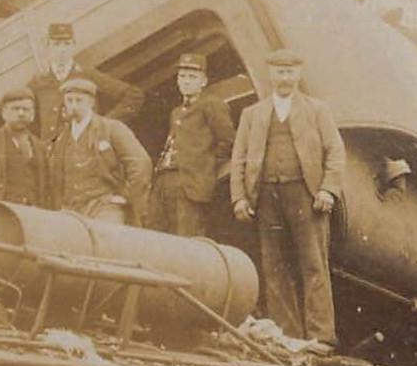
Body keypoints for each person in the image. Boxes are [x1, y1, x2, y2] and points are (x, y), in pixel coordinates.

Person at [229, 48, 346, 349]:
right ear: (270, 75)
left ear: (298, 74)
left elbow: (335, 151)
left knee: (313, 264)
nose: (284, 78)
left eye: (290, 71)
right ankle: (286, 335)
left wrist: (328, 189)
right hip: (266, 196)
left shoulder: (317, 110)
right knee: (274, 266)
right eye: (279, 72)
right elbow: (239, 158)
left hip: (305, 194)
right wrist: (239, 197)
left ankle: (321, 337)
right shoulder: (252, 114)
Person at [148, 53, 236, 238]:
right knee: (158, 236)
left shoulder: (211, 104)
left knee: (186, 239)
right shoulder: (176, 112)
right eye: (182, 77)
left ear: (203, 81)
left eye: (192, 77)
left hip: (189, 184)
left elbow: (228, 141)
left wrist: (204, 166)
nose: (186, 82)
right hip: (165, 180)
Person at [47, 78, 152, 224]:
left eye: (79, 100)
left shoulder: (111, 128)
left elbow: (140, 163)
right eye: (69, 100)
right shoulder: (61, 137)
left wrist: (125, 196)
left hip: (104, 206)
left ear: (91, 103)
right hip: (71, 208)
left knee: (108, 242)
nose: (74, 106)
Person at [27, 23, 144, 141]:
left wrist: (105, 125)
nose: (61, 50)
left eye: (67, 44)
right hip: (52, 155)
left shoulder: (88, 75)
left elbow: (134, 95)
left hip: (86, 151)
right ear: (48, 46)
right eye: (56, 44)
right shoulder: (38, 82)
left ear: (74, 45)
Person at [0, 87, 46, 208]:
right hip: (1, 215)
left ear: (32, 115)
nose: (21, 113)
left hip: (32, 218)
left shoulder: (39, 147)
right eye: (15, 109)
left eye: (26, 109)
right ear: (4, 113)